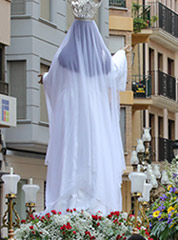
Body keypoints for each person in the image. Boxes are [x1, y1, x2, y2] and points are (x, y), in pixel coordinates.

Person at [42, 1, 126, 214]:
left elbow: (52, 80)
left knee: (72, 151)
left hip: (71, 111)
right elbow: (114, 74)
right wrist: (122, 54)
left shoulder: (63, 56)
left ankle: (69, 202)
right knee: (93, 151)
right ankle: (94, 204)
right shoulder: (101, 58)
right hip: (94, 111)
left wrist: (43, 78)